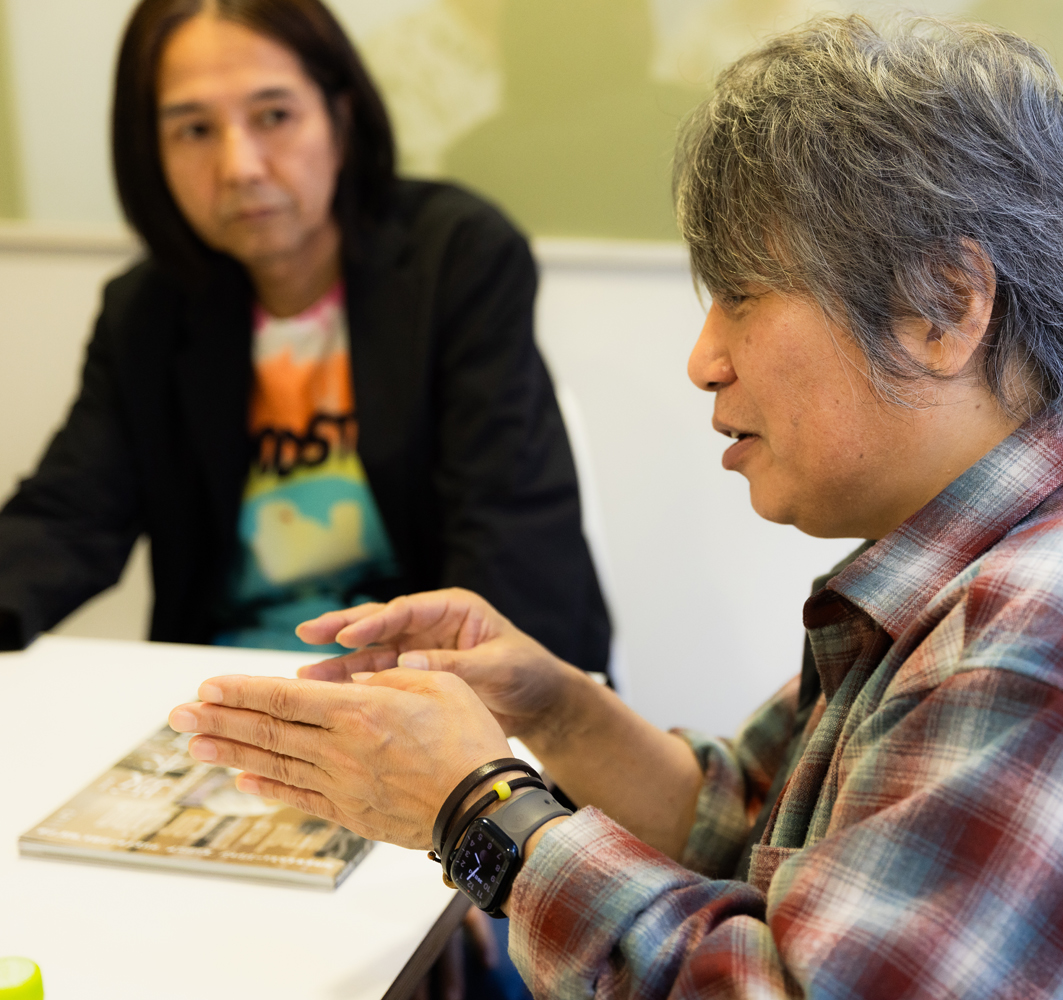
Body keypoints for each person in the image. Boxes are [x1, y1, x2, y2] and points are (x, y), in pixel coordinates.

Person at [168, 15, 1063, 998]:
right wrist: (553, 705)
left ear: (944, 304)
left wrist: (480, 805)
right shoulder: (1009, 562)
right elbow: (746, 821)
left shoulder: (1035, 656)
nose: (701, 360)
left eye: (741, 294)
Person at [0, 0, 611, 672]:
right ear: (152, 151)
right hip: (229, 690)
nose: (239, 167)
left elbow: (510, 533)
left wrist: (447, 695)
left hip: (426, 681)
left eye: (273, 117)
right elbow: (67, 517)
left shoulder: (456, 259)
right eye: (195, 129)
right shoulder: (145, 312)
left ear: (341, 118)